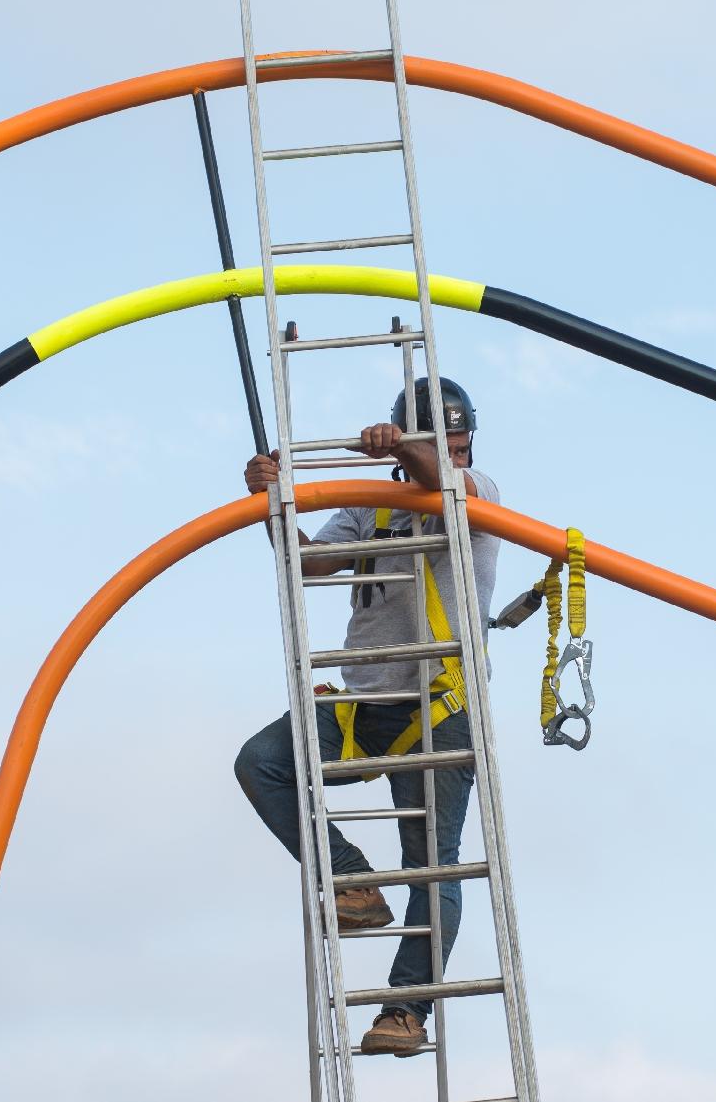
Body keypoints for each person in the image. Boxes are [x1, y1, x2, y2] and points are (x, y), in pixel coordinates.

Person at [234, 377, 501, 1057]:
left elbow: (443, 483)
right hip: (364, 705)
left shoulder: (480, 495)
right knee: (262, 762)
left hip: (438, 708)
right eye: (450, 443)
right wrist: (270, 500)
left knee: (432, 867)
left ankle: (406, 1010)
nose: (460, 455)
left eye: (463, 444)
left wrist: (413, 450)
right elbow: (310, 561)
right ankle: (349, 877)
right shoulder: (371, 511)